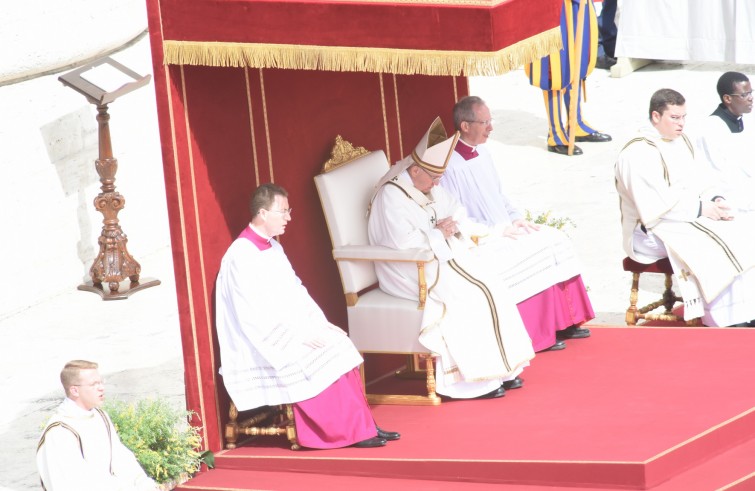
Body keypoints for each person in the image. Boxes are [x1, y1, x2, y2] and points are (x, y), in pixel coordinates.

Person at [215, 183, 398, 449]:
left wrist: (320, 324)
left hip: (293, 327)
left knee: (338, 343)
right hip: (263, 341)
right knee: (319, 353)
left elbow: (296, 291)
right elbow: (251, 315)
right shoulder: (240, 257)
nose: (289, 218)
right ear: (263, 213)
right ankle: (347, 432)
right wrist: (298, 335)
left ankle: (362, 424)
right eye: (284, 212)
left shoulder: (273, 248)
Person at [368, 117, 536, 400]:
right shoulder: (391, 196)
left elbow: (455, 208)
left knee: (490, 283)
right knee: (467, 296)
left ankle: (502, 370)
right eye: (433, 177)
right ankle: (470, 381)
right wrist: (436, 233)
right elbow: (400, 244)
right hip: (407, 268)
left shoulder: (428, 182)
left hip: (437, 257)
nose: (437, 183)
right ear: (416, 169)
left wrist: (450, 224)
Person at [441, 96, 595, 352]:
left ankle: (565, 320)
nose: (491, 128)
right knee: (520, 255)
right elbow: (457, 217)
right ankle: (538, 334)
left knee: (553, 239)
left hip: (505, 226)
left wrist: (515, 217)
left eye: (490, 121)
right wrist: (497, 231)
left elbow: (498, 194)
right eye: (485, 122)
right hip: (482, 238)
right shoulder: (450, 166)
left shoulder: (483, 152)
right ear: (465, 126)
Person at [615, 88, 755, 327]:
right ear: (656, 116)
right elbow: (655, 206)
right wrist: (701, 209)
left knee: (742, 227)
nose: (681, 124)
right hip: (650, 230)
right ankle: (721, 316)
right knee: (716, 241)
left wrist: (716, 199)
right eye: (675, 118)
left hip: (684, 218)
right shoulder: (637, 153)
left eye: (683, 117)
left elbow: (702, 179)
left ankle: (743, 311)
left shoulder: (682, 142)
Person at [36, 360, 159, 491]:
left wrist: (142, 482)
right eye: (94, 384)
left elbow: (121, 459)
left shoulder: (100, 416)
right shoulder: (59, 432)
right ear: (74, 390)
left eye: (101, 382)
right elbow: (76, 483)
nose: (101, 388)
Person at [524, 0, 612, 156]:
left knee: (578, 58)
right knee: (554, 66)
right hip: (549, 7)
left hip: (577, 5)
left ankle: (575, 123)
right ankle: (556, 133)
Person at [694, 71, 754, 213]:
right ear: (727, 98)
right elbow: (721, 174)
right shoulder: (712, 128)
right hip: (730, 198)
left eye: (751, 92)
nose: (751, 98)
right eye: (744, 95)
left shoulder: (745, 119)